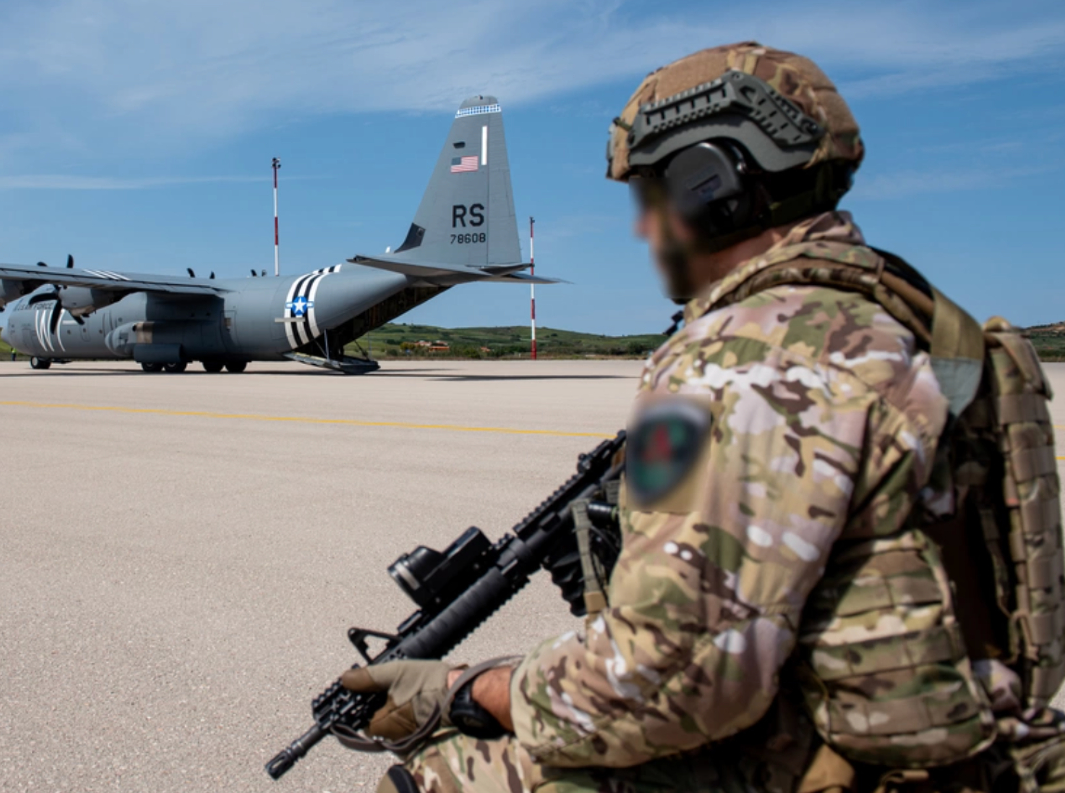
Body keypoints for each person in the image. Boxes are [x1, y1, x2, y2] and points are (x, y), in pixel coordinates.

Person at [338, 42, 1065, 793]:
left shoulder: (736, 359)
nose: (642, 231)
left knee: (444, 775)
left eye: (651, 198)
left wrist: (468, 687)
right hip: (993, 749)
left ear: (710, 186)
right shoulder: (927, 326)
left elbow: (663, 682)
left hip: (866, 773)